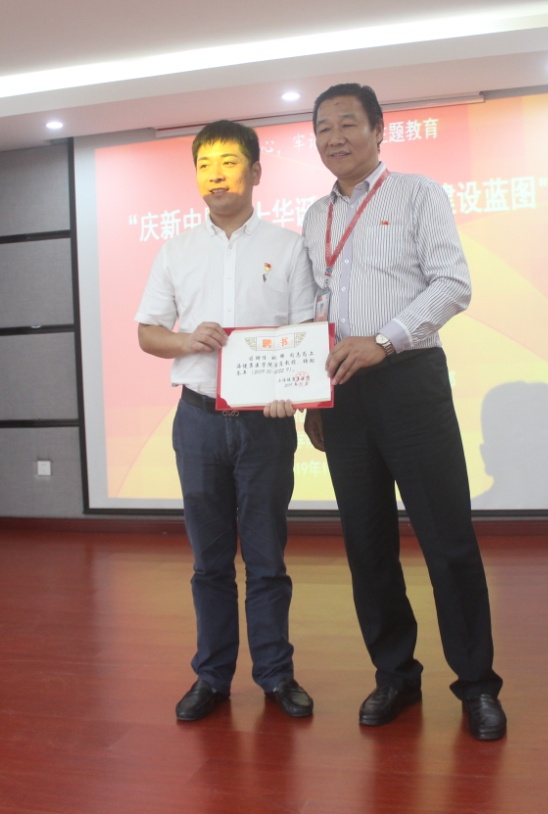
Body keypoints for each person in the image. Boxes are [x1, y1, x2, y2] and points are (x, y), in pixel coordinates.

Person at [301, 84, 506, 740]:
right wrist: (312, 392)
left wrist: (383, 340)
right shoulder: (314, 216)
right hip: (343, 393)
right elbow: (314, 306)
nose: (335, 137)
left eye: (347, 124)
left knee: (447, 540)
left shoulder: (418, 194)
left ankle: (476, 684)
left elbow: (453, 284)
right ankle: (395, 675)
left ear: (378, 129)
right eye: (323, 127)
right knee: (366, 544)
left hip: (409, 381)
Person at [136, 120, 317, 722]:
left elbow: (303, 335)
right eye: (205, 165)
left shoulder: (289, 247)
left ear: (256, 172)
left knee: (266, 559)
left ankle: (276, 674)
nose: (216, 175)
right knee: (209, 562)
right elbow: (148, 333)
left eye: (229, 162)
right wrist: (187, 339)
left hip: (265, 424)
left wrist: (289, 391)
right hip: (198, 422)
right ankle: (212, 677)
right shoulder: (176, 250)